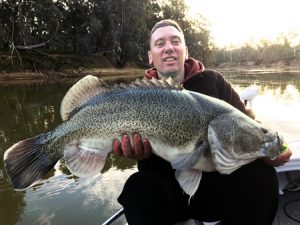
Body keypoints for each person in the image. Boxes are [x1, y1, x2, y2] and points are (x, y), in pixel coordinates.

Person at [112, 19, 292, 225]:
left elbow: (248, 124)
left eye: (175, 41)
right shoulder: (137, 95)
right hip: (166, 194)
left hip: (214, 190)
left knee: (263, 177)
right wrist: (129, 150)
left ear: (186, 51)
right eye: (160, 44)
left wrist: (277, 145)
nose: (169, 48)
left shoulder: (213, 81)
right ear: (151, 57)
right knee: (136, 189)